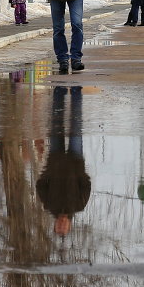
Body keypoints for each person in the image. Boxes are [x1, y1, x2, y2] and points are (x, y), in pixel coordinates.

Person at [36, 85, 91, 237]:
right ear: (70, 225)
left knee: (56, 121)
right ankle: (76, 91)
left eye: (58, 226)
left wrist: (49, 172)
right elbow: (86, 185)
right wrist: (79, 172)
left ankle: (59, 90)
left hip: (55, 157)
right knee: (76, 123)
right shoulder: (79, 205)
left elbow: (40, 184)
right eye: (64, 227)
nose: (61, 224)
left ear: (54, 224)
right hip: (76, 159)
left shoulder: (48, 204)